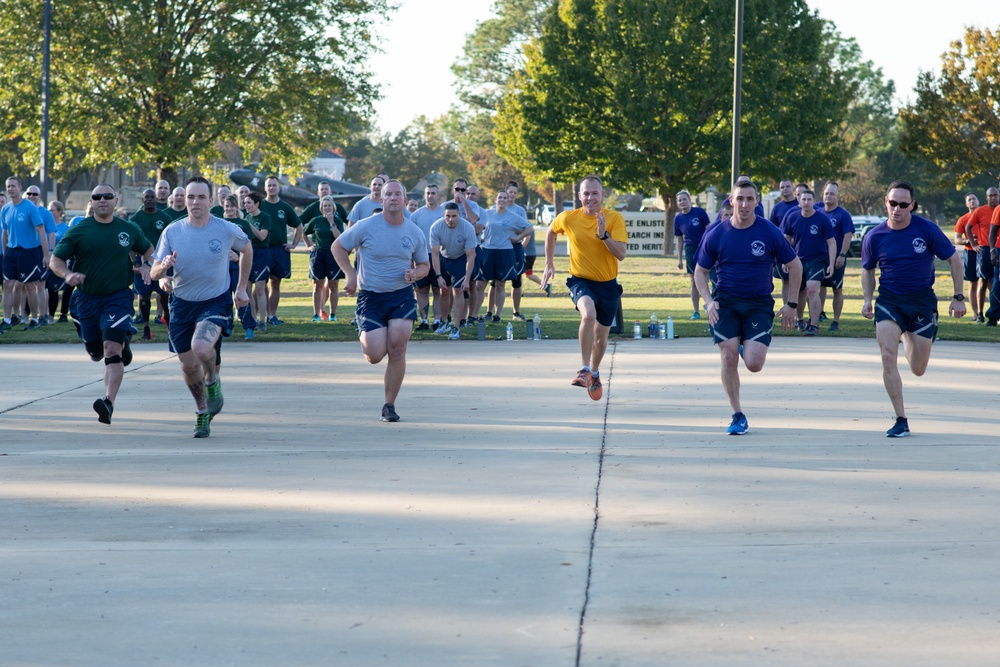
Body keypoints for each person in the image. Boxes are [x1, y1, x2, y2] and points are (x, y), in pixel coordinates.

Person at [694, 180, 802, 435]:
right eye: (739, 198)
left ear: (756, 202)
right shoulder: (717, 233)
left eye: (749, 199)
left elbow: (796, 266)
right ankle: (737, 414)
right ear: (731, 201)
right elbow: (700, 272)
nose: (744, 204)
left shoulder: (769, 232)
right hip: (726, 302)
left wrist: (792, 304)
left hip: (758, 303)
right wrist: (709, 302)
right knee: (728, 355)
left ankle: (744, 342)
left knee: (754, 364)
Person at [862, 180, 965, 437]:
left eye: (903, 204)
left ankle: (907, 333)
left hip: (921, 301)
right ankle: (901, 418)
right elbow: (867, 270)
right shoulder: (874, 236)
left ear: (912, 206)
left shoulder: (927, 230)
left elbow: (954, 259)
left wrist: (958, 297)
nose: (896, 209)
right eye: (892, 203)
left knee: (918, 369)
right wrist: (866, 299)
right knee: (887, 354)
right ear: (886, 202)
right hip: (889, 300)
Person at [150, 177, 251, 438]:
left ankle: (212, 381)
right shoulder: (172, 231)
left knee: (201, 347)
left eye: (201, 197)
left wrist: (241, 287)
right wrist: (164, 272)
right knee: (187, 366)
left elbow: (247, 248)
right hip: (182, 303)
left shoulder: (226, 229)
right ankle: (202, 411)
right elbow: (154, 272)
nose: (195, 202)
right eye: (190, 197)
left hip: (215, 301)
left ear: (210, 199)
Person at [49, 184, 154, 424]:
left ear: (115, 200)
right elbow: (56, 259)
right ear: (92, 202)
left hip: (117, 297)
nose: (103, 200)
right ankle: (124, 338)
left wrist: (147, 265)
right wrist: (67, 275)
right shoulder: (79, 230)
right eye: (97, 197)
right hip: (86, 300)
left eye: (108, 196)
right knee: (96, 353)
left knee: (111, 350)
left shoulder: (128, 229)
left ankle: (108, 403)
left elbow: (148, 250)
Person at [331, 179, 429, 422]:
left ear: (405, 201)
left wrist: (416, 273)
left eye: (398, 194)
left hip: (401, 295)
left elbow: (425, 265)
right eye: (389, 194)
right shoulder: (365, 226)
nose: (394, 198)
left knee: (398, 348)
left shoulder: (414, 232)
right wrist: (351, 275)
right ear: (381, 199)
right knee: (374, 355)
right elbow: (337, 247)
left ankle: (389, 405)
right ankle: (366, 333)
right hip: (370, 296)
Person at [542, 175, 628, 402]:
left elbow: (621, 254)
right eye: (586, 193)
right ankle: (584, 369)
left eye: (595, 193)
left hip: (608, 285)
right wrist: (549, 262)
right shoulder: (568, 218)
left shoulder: (614, 218)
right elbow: (551, 232)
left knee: (601, 340)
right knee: (588, 315)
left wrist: (604, 236)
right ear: (579, 196)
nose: (590, 197)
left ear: (602, 195)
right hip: (580, 280)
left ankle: (595, 373)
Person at [781, 188, 835, 335]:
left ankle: (814, 325)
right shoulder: (792, 217)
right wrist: (785, 260)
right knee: (800, 293)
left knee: (812, 289)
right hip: (798, 260)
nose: (806, 202)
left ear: (814, 201)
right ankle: (800, 320)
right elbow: (785, 240)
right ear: (799, 201)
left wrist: (831, 263)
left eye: (809, 199)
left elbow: (831, 242)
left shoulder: (822, 219)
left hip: (818, 259)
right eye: (803, 199)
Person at [475, 190, 533, 322]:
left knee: (500, 285)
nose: (502, 200)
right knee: (480, 285)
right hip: (487, 251)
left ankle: (497, 315)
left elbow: (529, 228)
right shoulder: (486, 213)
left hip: (504, 252)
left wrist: (518, 238)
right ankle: (473, 315)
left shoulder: (512, 216)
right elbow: (476, 225)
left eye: (504, 198)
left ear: (507, 201)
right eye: (499, 197)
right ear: (495, 199)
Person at [1, 176, 48, 332]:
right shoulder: (5, 209)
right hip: (11, 252)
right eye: (8, 186)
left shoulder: (30, 207)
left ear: (20, 187)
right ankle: (7, 320)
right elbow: (5, 232)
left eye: (13, 186)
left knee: (29, 286)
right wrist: (5, 252)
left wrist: (46, 254)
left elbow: (41, 230)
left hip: (28, 251)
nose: (10, 189)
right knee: (7, 285)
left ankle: (34, 319)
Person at [128, 188, 175, 339]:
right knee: (144, 295)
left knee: (164, 295)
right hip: (144, 265)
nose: (149, 199)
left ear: (155, 199)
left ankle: (168, 322)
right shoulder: (135, 219)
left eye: (151, 197)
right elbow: (130, 244)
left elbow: (171, 240)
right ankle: (146, 328)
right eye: (146, 197)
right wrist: (135, 262)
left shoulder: (165, 217)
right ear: (142, 200)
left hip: (162, 265)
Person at [430, 202, 478, 339]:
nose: (450, 219)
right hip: (444, 258)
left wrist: (467, 279)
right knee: (443, 291)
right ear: (444, 215)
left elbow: (471, 255)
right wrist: (438, 276)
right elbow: (434, 253)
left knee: (458, 291)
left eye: (454, 216)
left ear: (460, 215)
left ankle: (456, 327)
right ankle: (444, 322)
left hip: (460, 259)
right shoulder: (436, 227)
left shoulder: (467, 228)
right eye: (448, 216)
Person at [259, 175, 302, 325]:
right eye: (269, 185)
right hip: (263, 250)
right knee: (261, 283)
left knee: (275, 282)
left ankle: (272, 316)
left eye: (274, 185)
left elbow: (299, 225)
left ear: (279, 187)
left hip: (279, 250)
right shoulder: (260, 206)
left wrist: (294, 244)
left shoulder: (285, 207)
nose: (271, 188)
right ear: (265, 188)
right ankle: (261, 316)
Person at [815, 182, 855, 331]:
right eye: (826, 193)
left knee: (837, 289)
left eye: (831, 194)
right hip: (819, 258)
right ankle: (817, 316)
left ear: (838, 197)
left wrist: (842, 255)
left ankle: (835, 322)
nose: (828, 196)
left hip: (837, 257)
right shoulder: (818, 213)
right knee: (816, 287)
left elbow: (847, 236)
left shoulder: (842, 214)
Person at [220, 194, 259, 339]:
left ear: (237, 207)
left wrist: (237, 257)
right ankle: (227, 326)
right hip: (222, 267)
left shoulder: (243, 223)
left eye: (232, 206)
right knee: (225, 298)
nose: (230, 209)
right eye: (227, 206)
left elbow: (247, 247)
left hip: (237, 266)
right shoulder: (220, 223)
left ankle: (249, 326)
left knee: (241, 295)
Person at [410, 184, 447, 331]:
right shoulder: (416, 215)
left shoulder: (444, 213)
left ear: (438, 196)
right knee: (422, 290)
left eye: (433, 193)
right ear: (424, 196)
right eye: (428, 193)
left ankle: (437, 320)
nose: (430, 195)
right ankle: (424, 320)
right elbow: (411, 237)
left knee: (438, 289)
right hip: (421, 257)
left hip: (440, 256)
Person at [303, 196, 344, 322]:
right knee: (317, 286)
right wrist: (309, 245)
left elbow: (339, 237)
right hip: (318, 254)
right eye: (325, 206)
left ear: (333, 207)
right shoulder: (316, 220)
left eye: (329, 205)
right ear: (321, 208)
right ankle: (316, 314)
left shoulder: (337, 221)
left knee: (334, 285)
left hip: (333, 254)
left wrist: (332, 223)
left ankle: (333, 314)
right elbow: (303, 232)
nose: (327, 208)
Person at [673, 189, 712, 320]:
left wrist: (709, 247)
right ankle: (696, 311)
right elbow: (679, 239)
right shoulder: (678, 219)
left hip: (704, 248)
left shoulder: (699, 212)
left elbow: (709, 229)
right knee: (694, 281)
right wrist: (679, 258)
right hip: (690, 250)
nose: (682, 202)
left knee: (709, 278)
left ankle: (710, 305)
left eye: (684, 199)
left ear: (690, 200)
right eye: (679, 200)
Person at [240, 192, 271, 330]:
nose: (245, 205)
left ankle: (263, 321)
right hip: (249, 253)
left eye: (248, 203)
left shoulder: (265, 217)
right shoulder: (247, 217)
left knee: (260, 288)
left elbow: (262, 237)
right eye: (245, 203)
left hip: (262, 254)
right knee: (247, 288)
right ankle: (253, 319)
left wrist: (249, 225)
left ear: (257, 204)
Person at [965, 187, 997, 319]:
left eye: (995, 195)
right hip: (984, 249)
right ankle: (980, 313)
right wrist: (973, 244)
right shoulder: (980, 211)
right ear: (986, 197)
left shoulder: (999, 210)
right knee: (983, 282)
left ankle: (995, 313)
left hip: (998, 248)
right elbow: (968, 227)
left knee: (996, 283)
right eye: (990, 195)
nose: (993, 198)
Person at [953, 193, 980, 321]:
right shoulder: (963, 220)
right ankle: (976, 313)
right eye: (969, 200)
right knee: (972, 284)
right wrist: (967, 241)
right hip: (970, 253)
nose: (972, 201)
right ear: (966, 204)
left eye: (974, 199)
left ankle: (995, 313)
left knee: (990, 283)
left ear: (978, 201)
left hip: (984, 251)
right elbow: (957, 239)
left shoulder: (986, 215)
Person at [45, 200, 72, 323]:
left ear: (60, 212)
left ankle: (51, 316)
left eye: (52, 210)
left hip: (56, 262)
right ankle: (38, 315)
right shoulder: (42, 225)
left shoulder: (65, 228)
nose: (49, 212)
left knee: (53, 289)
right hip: (42, 260)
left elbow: (68, 247)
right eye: (48, 209)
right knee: (38, 288)